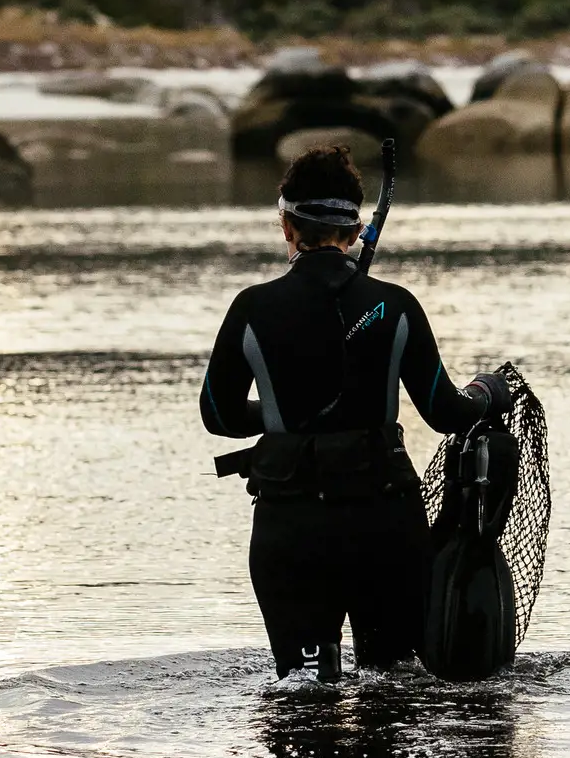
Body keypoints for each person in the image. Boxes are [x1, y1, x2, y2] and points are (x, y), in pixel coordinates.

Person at [199, 143, 494, 684]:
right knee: (393, 692)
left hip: (290, 526)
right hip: (384, 523)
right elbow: (446, 412)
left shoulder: (251, 308)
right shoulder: (395, 304)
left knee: (305, 697)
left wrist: (287, 411)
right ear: (355, 233)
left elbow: (217, 413)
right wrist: (487, 391)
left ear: (286, 227)